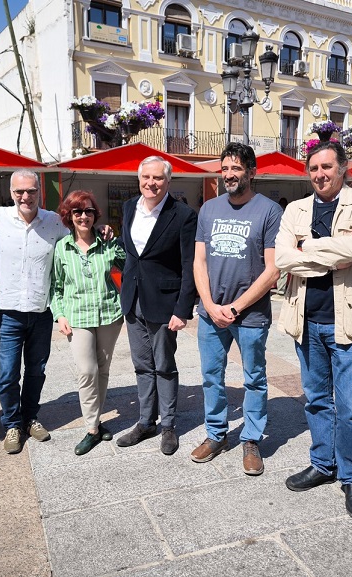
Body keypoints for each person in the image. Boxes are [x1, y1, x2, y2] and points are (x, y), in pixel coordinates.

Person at [275, 140, 352, 520]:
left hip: (348, 323)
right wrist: (329, 251)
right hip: (307, 322)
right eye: (314, 168)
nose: (320, 174)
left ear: (342, 168)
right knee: (317, 400)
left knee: (351, 409)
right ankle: (323, 464)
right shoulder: (295, 208)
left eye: (327, 167)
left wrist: (308, 247)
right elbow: (282, 258)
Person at [192, 142, 282, 476]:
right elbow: (199, 261)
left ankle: (251, 439)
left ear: (251, 172)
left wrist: (234, 307)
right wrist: (209, 304)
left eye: (236, 168)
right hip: (210, 313)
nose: (229, 174)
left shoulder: (269, 211)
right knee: (211, 377)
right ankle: (216, 435)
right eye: (225, 168)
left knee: (254, 378)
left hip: (251, 315)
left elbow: (273, 270)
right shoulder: (208, 209)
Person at [0, 170, 69, 454]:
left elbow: (79, 239)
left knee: (36, 370)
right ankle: (11, 424)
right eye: (19, 191)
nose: (25, 197)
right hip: (7, 312)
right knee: (8, 373)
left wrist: (104, 232)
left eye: (31, 191)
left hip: (41, 311)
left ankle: (30, 417)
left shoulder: (54, 221)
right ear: (11, 192)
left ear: (39, 192)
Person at [115, 156, 197, 456]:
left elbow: (189, 265)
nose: (151, 183)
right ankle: (145, 421)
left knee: (163, 365)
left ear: (168, 181)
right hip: (133, 299)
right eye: (146, 177)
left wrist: (182, 309)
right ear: (139, 179)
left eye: (158, 178)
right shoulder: (128, 208)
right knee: (142, 365)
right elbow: (130, 255)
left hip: (165, 303)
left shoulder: (183, 215)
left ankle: (169, 426)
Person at [51, 191, 126, 455]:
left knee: (103, 370)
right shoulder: (62, 247)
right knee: (87, 371)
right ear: (69, 216)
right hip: (78, 317)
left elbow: (128, 263)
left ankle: (97, 419)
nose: (84, 216)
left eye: (89, 211)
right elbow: (56, 287)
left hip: (109, 314)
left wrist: (114, 235)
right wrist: (59, 314)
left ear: (96, 215)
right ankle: (92, 428)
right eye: (78, 212)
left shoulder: (107, 242)